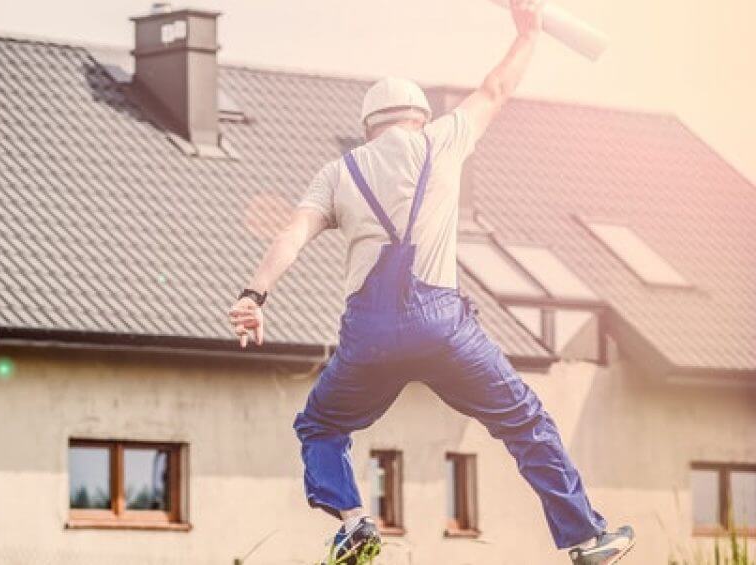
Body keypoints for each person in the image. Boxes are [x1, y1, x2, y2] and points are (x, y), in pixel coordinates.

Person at [226, 1, 636, 563]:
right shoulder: (443, 140)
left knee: (320, 425)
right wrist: (528, 33)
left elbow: (291, 235)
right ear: (418, 117)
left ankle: (354, 522)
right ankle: (586, 539)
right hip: (444, 330)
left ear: (368, 128)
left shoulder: (338, 172)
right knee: (526, 422)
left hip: (369, 338)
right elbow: (496, 88)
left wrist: (254, 295)